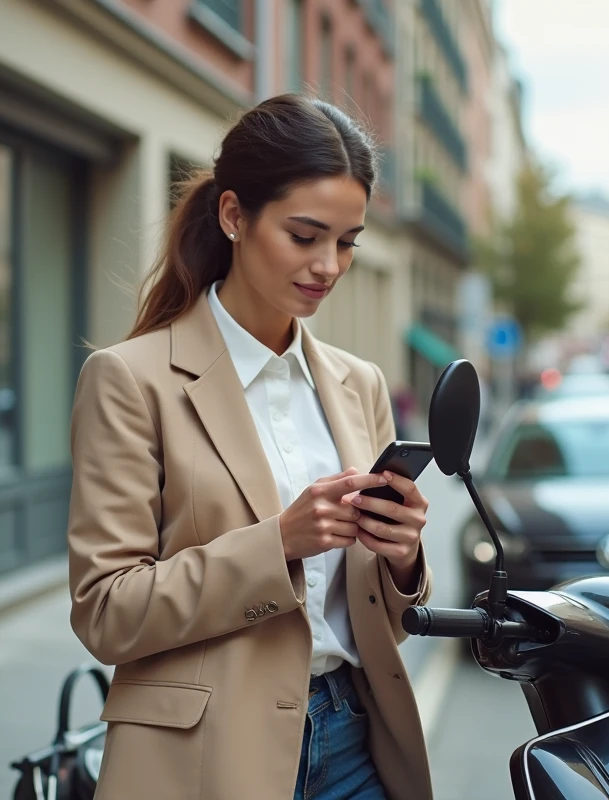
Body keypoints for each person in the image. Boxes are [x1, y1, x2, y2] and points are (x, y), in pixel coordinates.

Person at [67, 94, 434, 800]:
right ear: (234, 215)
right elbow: (107, 612)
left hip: (355, 744)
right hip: (206, 757)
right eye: (305, 235)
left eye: (347, 242)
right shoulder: (131, 379)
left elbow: (383, 618)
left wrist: (403, 556)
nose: (329, 265)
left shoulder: (359, 384)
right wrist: (279, 544)